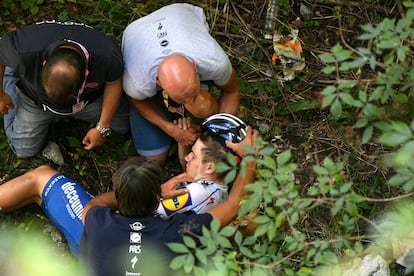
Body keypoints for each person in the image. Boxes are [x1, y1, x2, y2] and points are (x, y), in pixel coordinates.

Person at [121, 3, 241, 165]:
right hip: (136, 30)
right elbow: (136, 100)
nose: (189, 104)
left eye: (192, 94)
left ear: (195, 67)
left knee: (203, 107)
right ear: (158, 84)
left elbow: (231, 91)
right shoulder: (138, 81)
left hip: (181, 12)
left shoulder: (213, 61)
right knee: (155, 159)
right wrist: (168, 128)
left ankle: (195, 105)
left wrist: (219, 134)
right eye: (182, 100)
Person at [0, 20, 130, 164]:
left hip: (86, 102)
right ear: (44, 63)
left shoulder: (106, 55)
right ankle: (10, 75)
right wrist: (0, 95)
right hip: (34, 101)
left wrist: (102, 127)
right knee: (23, 150)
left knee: (125, 124)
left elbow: (113, 82)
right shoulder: (23, 48)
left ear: (86, 74)